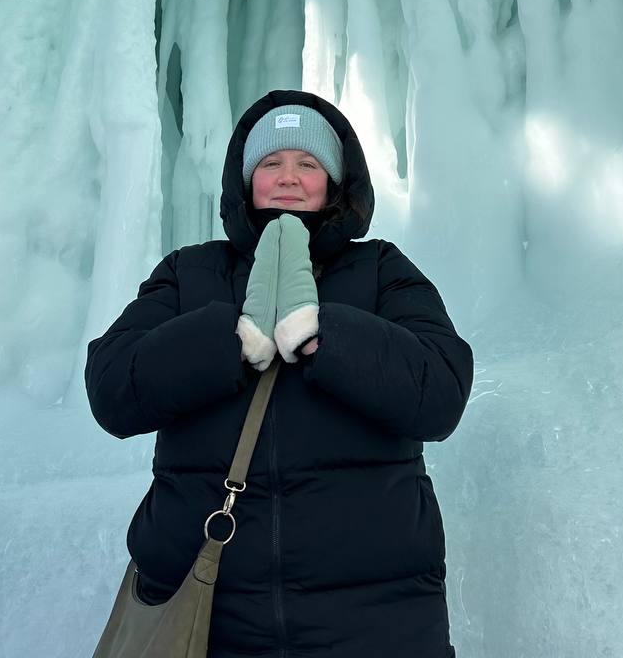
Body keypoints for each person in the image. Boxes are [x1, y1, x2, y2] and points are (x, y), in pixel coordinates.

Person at [85, 88, 474, 658]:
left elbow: (440, 390)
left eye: (308, 163)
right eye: (270, 163)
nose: (288, 177)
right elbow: (112, 386)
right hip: (205, 613)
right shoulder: (190, 273)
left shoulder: (382, 271)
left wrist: (328, 334)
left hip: (374, 620)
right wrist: (224, 341)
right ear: (245, 181)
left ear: (337, 181)